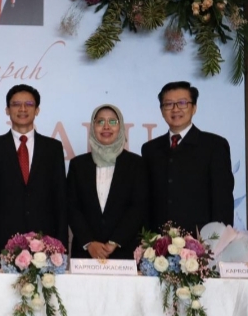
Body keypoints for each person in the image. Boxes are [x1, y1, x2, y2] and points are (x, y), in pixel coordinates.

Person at [0, 84, 67, 256]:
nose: (23, 109)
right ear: (7, 110)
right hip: (2, 244)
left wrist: (60, 247)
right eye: (16, 104)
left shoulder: (53, 148)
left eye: (29, 104)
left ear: (37, 110)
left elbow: (60, 200)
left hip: (45, 245)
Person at [142, 81, 234, 235]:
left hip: (201, 242)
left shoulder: (214, 145)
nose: (175, 109)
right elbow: (146, 201)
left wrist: (217, 241)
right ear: (162, 110)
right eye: (168, 104)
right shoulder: (150, 149)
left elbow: (222, 201)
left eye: (182, 103)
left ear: (194, 108)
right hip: (158, 242)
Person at [68, 104, 148, 260]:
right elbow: (72, 207)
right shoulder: (78, 165)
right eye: (100, 121)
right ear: (93, 127)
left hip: (124, 252)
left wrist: (115, 242)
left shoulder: (136, 164)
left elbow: (138, 207)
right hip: (85, 254)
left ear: (121, 127)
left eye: (112, 122)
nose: (106, 127)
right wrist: (89, 243)